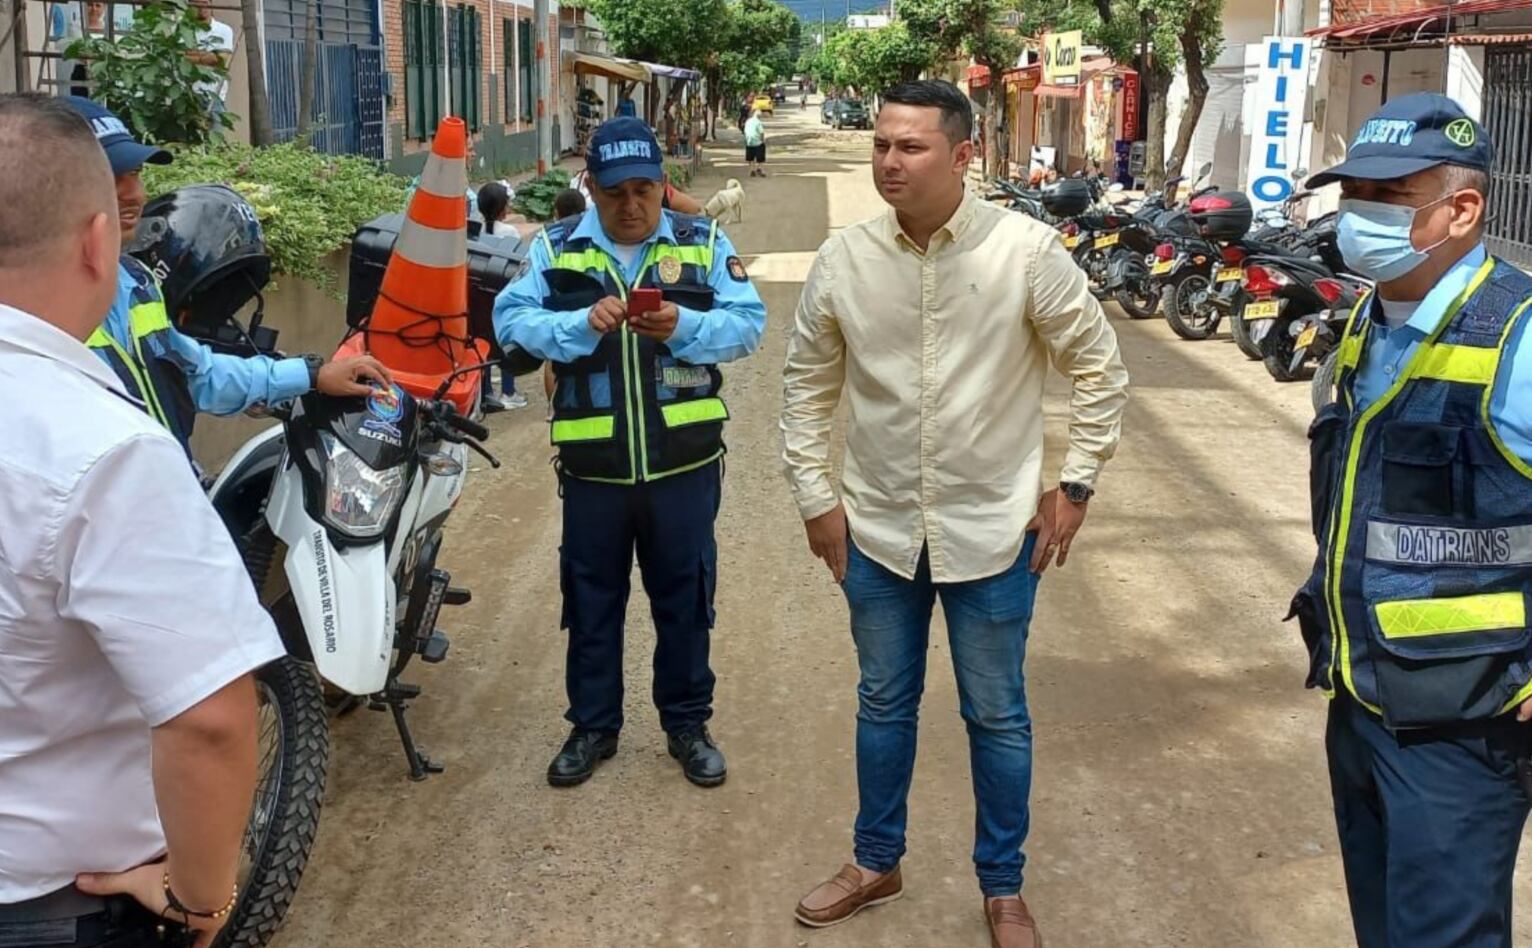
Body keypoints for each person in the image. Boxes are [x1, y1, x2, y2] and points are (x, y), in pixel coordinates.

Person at [781, 80, 1129, 948]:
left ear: (963, 154)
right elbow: (804, 390)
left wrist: (1074, 483)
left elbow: (1099, 370)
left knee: (998, 715)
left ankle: (1002, 888)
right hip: (877, 532)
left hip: (995, 531)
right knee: (883, 703)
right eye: (882, 145)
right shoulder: (846, 259)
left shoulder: (1026, 252)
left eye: (911, 147)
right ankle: (875, 861)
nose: (889, 162)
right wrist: (817, 498)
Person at [0, 92, 284, 948]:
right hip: (56, 907)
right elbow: (209, 717)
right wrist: (203, 900)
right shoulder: (106, 450)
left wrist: (304, 374)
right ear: (96, 240)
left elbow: (196, 372)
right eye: (115, 187)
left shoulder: (141, 303)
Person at [1293, 93, 1532, 948]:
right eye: (1352, 191)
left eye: (1387, 200)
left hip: (1468, 727)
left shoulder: (1518, 336)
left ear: (1461, 211)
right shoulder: (1369, 318)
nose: (1358, 216)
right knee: (1386, 928)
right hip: (1361, 696)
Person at [493, 117, 766, 789]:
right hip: (595, 472)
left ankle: (686, 724)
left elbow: (749, 322)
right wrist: (576, 325)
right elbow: (509, 321)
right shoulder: (554, 248)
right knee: (591, 601)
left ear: (662, 186)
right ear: (591, 187)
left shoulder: (702, 242)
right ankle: (592, 727)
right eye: (616, 191)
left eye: (645, 188)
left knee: (685, 598)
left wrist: (688, 325)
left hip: (684, 467)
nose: (632, 204)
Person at [62, 97, 390, 462]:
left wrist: (312, 375)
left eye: (135, 173)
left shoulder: (136, 283)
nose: (133, 194)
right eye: (110, 176)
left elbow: (198, 374)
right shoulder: (32, 314)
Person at [473, 182, 529, 412]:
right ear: (503, 208)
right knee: (506, 343)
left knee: (482, 344)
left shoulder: (475, 231)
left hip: (480, 296)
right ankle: (508, 391)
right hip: (504, 297)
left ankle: (486, 392)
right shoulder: (510, 233)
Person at [186, 0, 233, 117]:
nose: (201, 7)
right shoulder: (185, 30)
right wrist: (206, 56)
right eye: (196, 3)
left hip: (214, 95)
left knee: (215, 132)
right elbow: (179, 56)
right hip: (188, 95)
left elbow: (219, 60)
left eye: (205, 2)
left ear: (211, 4)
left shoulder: (224, 30)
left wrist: (192, 55)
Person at [745, 108, 766, 178]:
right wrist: (763, 140)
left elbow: (745, 131)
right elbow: (761, 133)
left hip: (749, 142)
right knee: (761, 154)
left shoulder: (748, 121)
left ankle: (752, 169)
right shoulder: (758, 122)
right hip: (757, 142)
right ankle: (760, 168)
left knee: (750, 157)